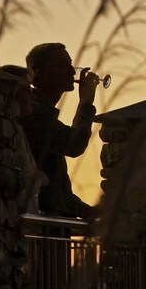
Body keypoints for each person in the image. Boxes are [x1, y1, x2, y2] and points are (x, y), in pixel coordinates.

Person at [18, 43, 100, 219]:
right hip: (42, 225)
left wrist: (93, 212)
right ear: (39, 73)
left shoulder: (42, 114)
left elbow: (60, 193)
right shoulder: (33, 115)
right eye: (63, 65)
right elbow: (74, 144)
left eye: (70, 64)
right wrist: (85, 104)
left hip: (51, 223)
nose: (72, 72)